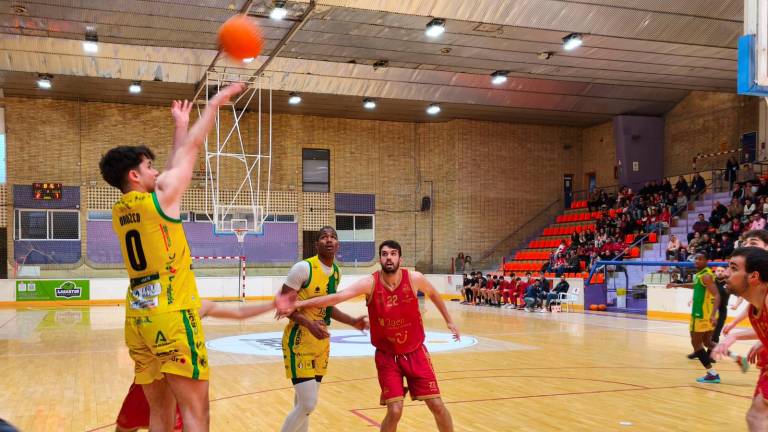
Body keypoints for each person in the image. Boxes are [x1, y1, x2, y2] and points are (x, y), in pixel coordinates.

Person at [99, 83, 245, 431]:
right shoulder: (161, 199)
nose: (156, 172)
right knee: (195, 412)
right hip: (173, 315)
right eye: (149, 166)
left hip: (139, 319)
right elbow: (189, 152)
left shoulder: (121, 210)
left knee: (160, 414)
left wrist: (180, 124)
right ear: (134, 175)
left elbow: (167, 173)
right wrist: (215, 103)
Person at [295, 240, 459, 432]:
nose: (389, 257)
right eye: (385, 254)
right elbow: (337, 297)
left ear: (400, 259)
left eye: (393, 254)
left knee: (437, 405)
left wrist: (449, 321)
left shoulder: (414, 278)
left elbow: (434, 294)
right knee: (395, 411)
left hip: (416, 353)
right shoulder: (370, 283)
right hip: (387, 357)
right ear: (380, 259)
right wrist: (299, 304)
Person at [115, 298, 290, 432]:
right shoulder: (156, 304)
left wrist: (272, 304)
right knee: (125, 427)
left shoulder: (195, 304)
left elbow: (238, 312)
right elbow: (238, 312)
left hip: (176, 386)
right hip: (153, 383)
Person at [279, 226, 368, 432]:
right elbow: (284, 307)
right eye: (324, 237)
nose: (329, 240)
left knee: (303, 405)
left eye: (333, 237)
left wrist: (352, 321)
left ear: (338, 245)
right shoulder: (303, 268)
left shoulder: (336, 272)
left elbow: (327, 307)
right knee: (308, 404)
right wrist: (309, 324)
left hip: (321, 342)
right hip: (299, 340)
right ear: (316, 244)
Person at [712, 248, 768, 431]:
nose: (726, 273)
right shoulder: (754, 308)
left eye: (734, 268)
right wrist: (735, 335)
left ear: (754, 277)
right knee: (756, 416)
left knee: (757, 416)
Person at [666, 253, 721, 383]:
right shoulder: (702, 275)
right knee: (707, 343)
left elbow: (717, 295)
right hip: (706, 314)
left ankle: (712, 373)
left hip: (701, 314)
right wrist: (677, 285)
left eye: (700, 259)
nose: (697, 261)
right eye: (696, 258)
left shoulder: (705, 275)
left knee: (696, 344)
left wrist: (713, 315)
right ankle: (735, 356)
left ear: (707, 261)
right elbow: (695, 285)